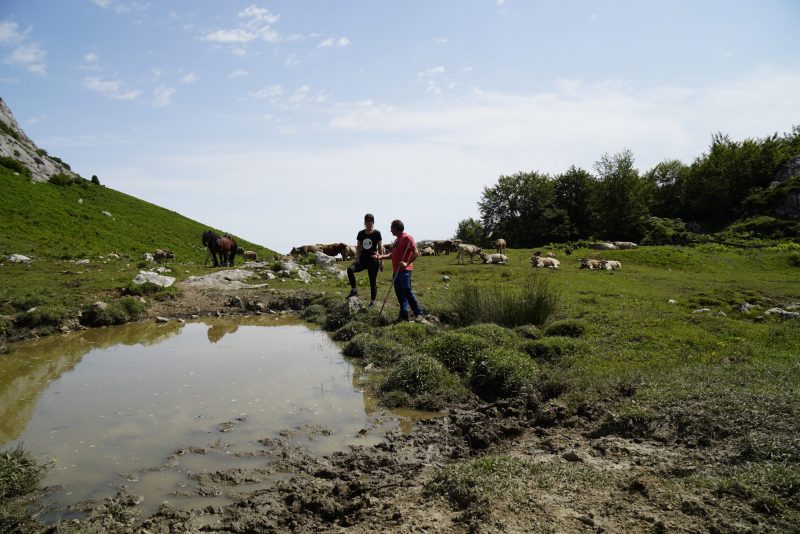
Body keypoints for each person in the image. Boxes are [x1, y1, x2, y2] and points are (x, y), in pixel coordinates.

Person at [374, 219, 423, 322]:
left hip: (405, 270)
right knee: (399, 293)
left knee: (406, 290)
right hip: (396, 271)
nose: (390, 230)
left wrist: (406, 263)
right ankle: (404, 315)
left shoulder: (407, 238)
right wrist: (380, 257)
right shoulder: (397, 240)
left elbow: (416, 252)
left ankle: (418, 313)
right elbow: (392, 255)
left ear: (396, 228)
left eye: (391, 228)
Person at [346, 213, 383, 306]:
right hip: (362, 259)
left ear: (373, 222)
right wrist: (357, 257)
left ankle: (372, 301)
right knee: (350, 270)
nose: (368, 223)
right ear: (364, 222)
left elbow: (380, 248)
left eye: (370, 221)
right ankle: (354, 290)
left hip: (373, 260)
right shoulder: (361, 233)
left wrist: (381, 261)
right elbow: (358, 247)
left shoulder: (377, 233)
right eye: (366, 221)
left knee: (372, 281)